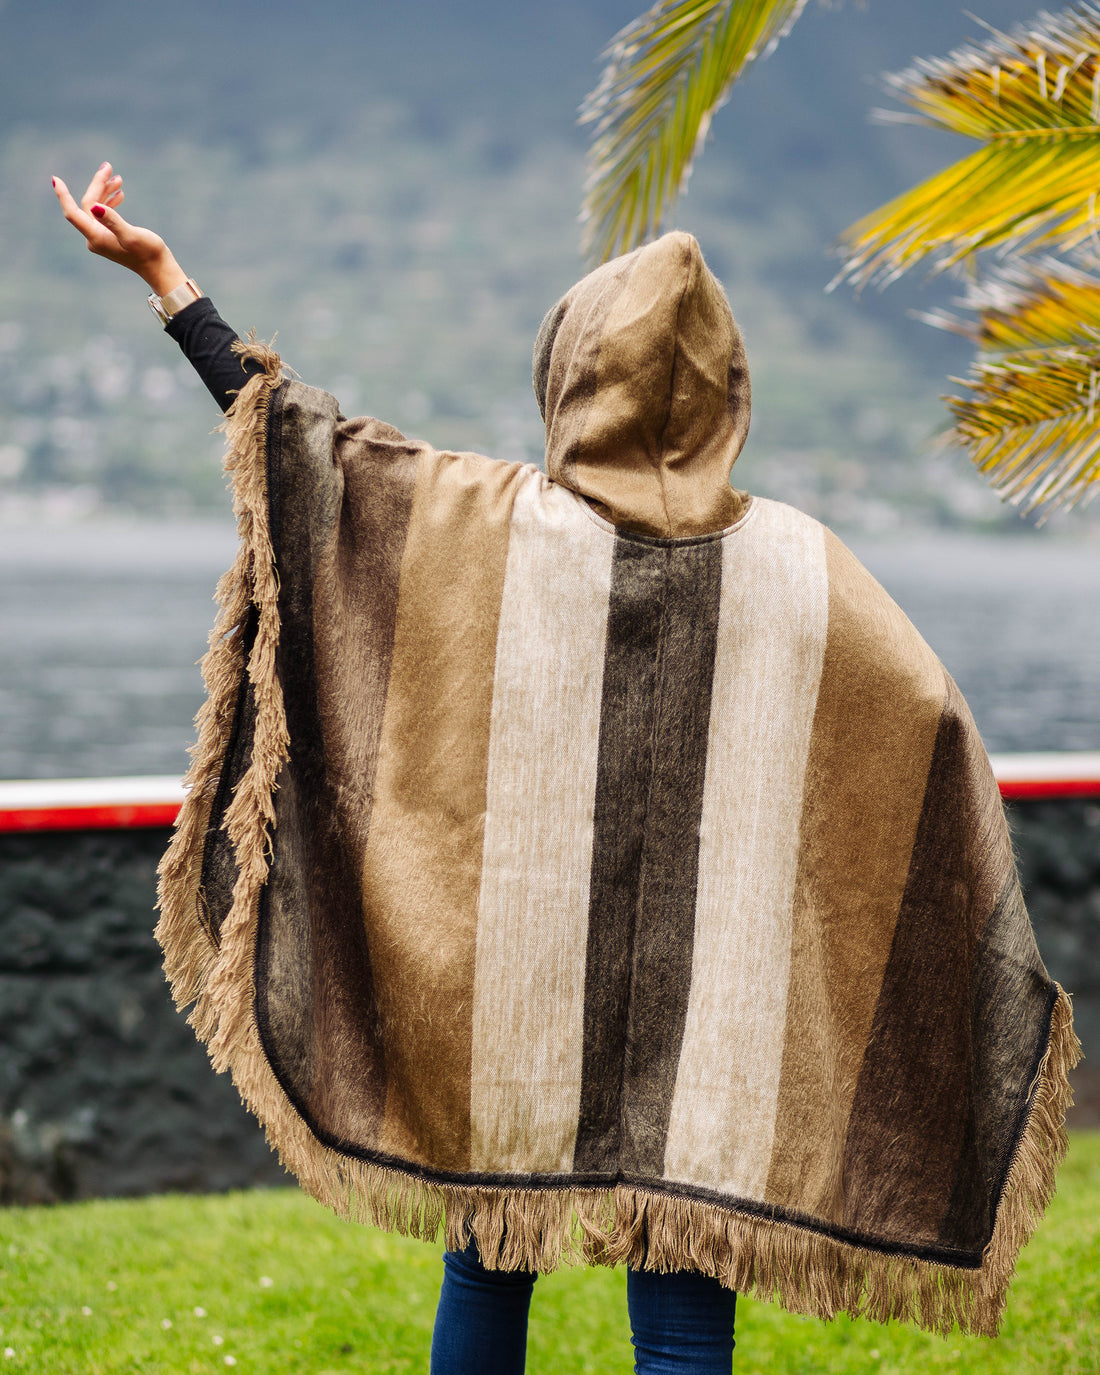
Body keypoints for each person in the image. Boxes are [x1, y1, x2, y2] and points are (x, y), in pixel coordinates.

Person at [54, 163, 1077, 1372]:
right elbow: (926, 726)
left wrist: (169, 283)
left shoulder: (485, 525)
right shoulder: (810, 574)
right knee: (684, 1298)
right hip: (718, 1028)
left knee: (488, 1261)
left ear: (570, 372)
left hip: (514, 1013)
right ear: (723, 393)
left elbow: (306, 451)